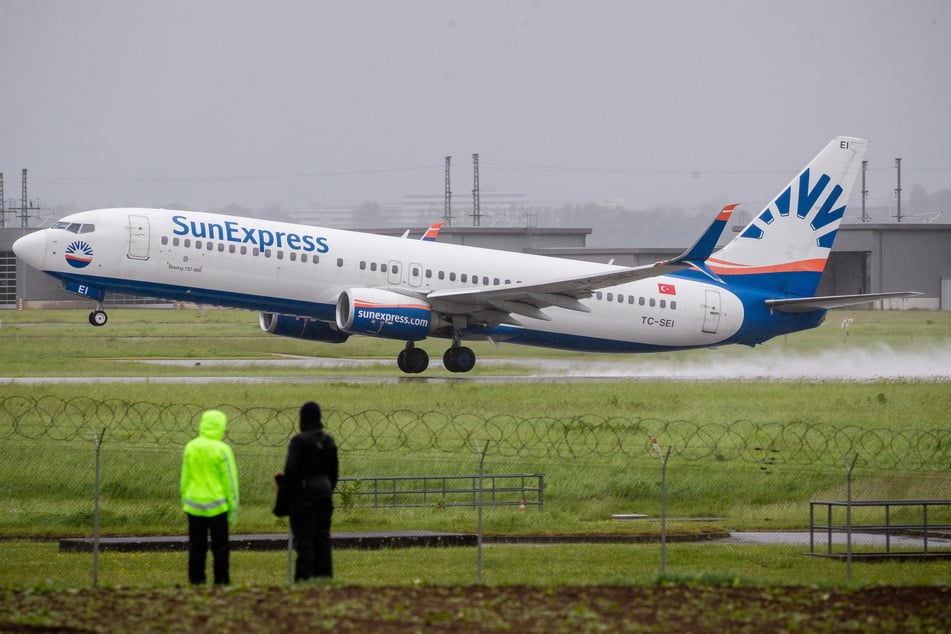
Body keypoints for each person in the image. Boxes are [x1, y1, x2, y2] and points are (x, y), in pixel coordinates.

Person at [279, 401, 339, 580]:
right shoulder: (328, 441)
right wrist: (327, 489)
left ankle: (304, 581)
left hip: (303, 497)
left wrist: (290, 496)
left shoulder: (298, 442)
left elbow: (291, 471)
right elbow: (334, 473)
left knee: (304, 541)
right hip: (324, 494)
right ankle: (325, 579)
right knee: (322, 539)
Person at [180, 409, 239, 585]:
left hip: (194, 504)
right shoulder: (222, 449)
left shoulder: (191, 447)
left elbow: (185, 478)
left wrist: (185, 502)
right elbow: (230, 481)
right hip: (217, 506)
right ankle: (221, 582)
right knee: (220, 548)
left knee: (196, 547)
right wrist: (233, 508)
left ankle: (196, 581)